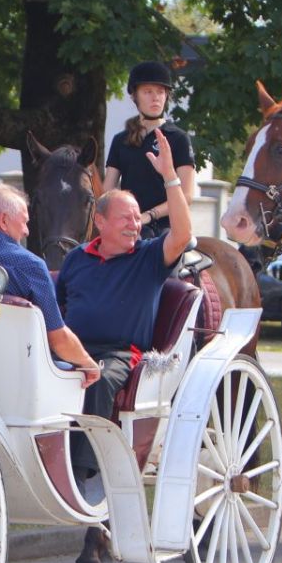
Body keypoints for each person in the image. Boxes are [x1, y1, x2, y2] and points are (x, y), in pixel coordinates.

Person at [57, 128, 191, 419]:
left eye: (136, 217)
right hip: (73, 350)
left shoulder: (149, 256)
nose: (135, 224)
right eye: (125, 218)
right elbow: (57, 307)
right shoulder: (76, 259)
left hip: (119, 355)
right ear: (100, 221)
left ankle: (87, 466)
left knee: (97, 381)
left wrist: (170, 176)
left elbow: (181, 234)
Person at [0, 184, 100, 387]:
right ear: (4, 220)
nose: (26, 231)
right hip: (19, 376)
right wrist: (89, 364)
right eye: (24, 222)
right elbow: (58, 338)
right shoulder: (30, 265)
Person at [103, 61, 196, 239]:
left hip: (166, 227)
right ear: (134, 96)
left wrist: (149, 215)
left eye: (160, 92)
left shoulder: (178, 138)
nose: (156, 98)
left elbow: (186, 195)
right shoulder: (120, 140)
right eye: (148, 92)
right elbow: (108, 190)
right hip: (128, 225)